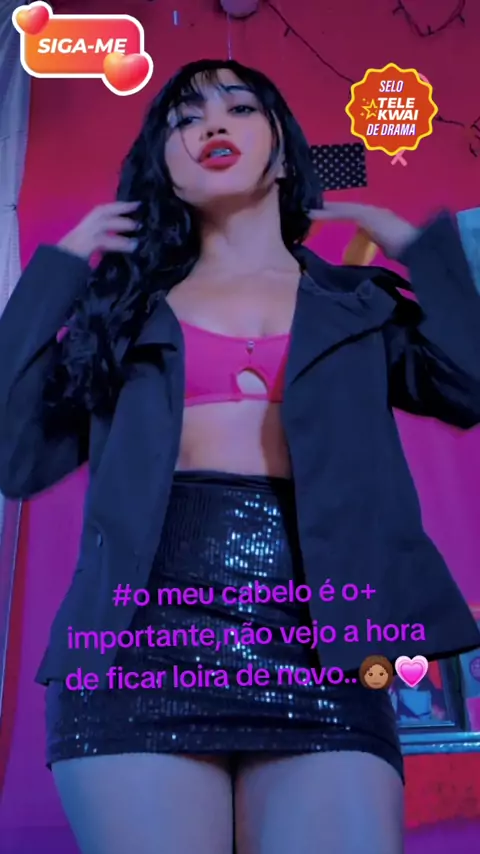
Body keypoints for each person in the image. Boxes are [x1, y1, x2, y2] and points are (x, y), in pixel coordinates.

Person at [0, 58, 479, 854]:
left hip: (327, 654)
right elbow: (15, 457)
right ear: (162, 166)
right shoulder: (121, 312)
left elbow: (470, 384)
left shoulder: (358, 305)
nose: (211, 124)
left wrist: (422, 252)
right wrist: (57, 270)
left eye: (238, 107)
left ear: (284, 151)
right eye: (184, 119)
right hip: (134, 658)